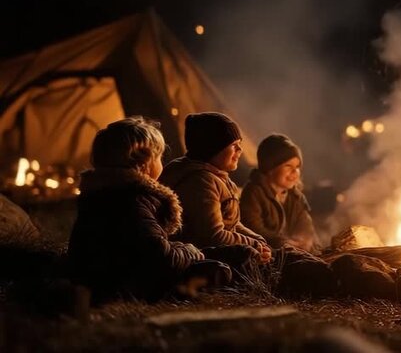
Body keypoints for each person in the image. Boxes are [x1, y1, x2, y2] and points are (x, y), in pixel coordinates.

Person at [68, 117, 230, 303]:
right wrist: (189, 252)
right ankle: (177, 296)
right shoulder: (132, 199)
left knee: (232, 254)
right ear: (144, 163)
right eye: (159, 157)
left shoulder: (102, 192)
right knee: (219, 270)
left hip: (110, 276)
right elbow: (161, 258)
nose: (162, 161)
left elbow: (147, 245)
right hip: (125, 286)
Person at [158, 112, 273, 269]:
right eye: (233, 145)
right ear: (212, 149)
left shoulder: (219, 177)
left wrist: (257, 240)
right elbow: (214, 236)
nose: (240, 149)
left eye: (239, 143)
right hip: (205, 262)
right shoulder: (200, 182)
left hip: (224, 255)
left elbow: (232, 223)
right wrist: (254, 245)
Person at [240, 134, 320, 253]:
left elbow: (305, 223)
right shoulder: (254, 192)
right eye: (288, 166)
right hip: (267, 254)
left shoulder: (295, 196)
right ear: (270, 168)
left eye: (297, 167)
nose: (295, 171)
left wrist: (304, 240)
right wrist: (281, 243)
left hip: (294, 252)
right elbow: (253, 228)